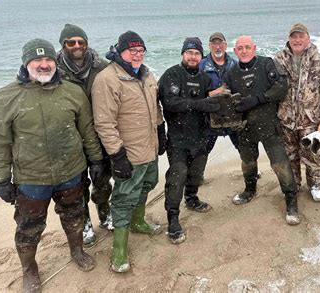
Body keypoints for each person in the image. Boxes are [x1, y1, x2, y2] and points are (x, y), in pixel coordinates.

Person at [0, 38, 104, 292]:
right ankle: (29, 270)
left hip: (72, 171)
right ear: (26, 63)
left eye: (48, 59)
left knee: (74, 215)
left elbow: (87, 130)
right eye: (37, 60)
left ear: (56, 60)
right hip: (31, 178)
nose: (43, 65)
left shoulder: (72, 91)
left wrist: (95, 159)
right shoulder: (6, 97)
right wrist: (1, 179)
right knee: (29, 228)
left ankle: (77, 251)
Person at [91, 31, 166, 272]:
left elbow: (155, 107)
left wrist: (160, 131)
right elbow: (104, 122)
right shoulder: (108, 79)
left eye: (141, 51)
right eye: (132, 50)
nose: (137, 55)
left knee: (148, 183)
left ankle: (138, 222)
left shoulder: (146, 73)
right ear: (120, 51)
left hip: (150, 149)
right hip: (129, 153)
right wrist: (117, 155)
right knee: (124, 199)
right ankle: (119, 251)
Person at [223, 35, 300, 225]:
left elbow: (282, 87)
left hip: (268, 124)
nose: (244, 51)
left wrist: (258, 99)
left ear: (254, 48)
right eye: (240, 48)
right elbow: (225, 99)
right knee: (247, 162)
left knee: (280, 164)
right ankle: (249, 190)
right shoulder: (231, 73)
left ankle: (291, 200)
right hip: (245, 127)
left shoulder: (267, 64)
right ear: (235, 51)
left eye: (247, 47)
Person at [159, 37, 220, 244]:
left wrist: (212, 129)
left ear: (201, 57)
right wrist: (199, 104)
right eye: (189, 53)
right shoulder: (171, 75)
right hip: (177, 137)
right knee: (178, 175)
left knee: (196, 173)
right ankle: (173, 218)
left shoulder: (205, 78)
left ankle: (192, 198)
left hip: (200, 135)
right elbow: (170, 103)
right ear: (183, 54)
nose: (193, 57)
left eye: (196, 53)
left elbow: (211, 104)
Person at [56, 23, 112, 247]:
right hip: (71, 138)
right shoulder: (54, 71)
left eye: (81, 42)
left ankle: (105, 213)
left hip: (99, 133)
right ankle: (85, 223)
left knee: (102, 180)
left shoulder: (102, 66)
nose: (77, 46)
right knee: (77, 188)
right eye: (71, 42)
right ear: (63, 45)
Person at [274, 23, 320, 201]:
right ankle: (293, 186)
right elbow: (270, 89)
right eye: (294, 36)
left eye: (301, 36)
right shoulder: (278, 60)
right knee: (289, 156)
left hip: (311, 121)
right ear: (289, 39)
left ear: (308, 38)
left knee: (314, 156)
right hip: (286, 120)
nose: (297, 40)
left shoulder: (319, 60)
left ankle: (316, 185)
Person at [199, 32, 239, 153]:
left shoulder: (235, 65)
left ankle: (252, 171)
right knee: (202, 152)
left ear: (225, 45)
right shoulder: (201, 65)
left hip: (232, 116)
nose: (217, 47)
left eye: (220, 43)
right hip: (210, 118)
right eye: (214, 44)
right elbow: (194, 94)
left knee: (244, 148)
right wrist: (210, 94)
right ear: (209, 46)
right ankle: (196, 172)